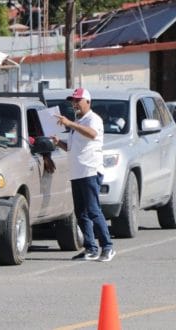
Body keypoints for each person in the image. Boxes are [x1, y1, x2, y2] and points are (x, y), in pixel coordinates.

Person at [51, 88, 115, 262]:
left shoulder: (93, 119)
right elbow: (72, 148)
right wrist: (59, 143)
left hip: (90, 171)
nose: (75, 104)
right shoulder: (78, 122)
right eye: (73, 101)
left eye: (78, 101)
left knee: (93, 210)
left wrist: (70, 124)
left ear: (88, 101)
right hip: (77, 173)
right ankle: (90, 248)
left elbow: (92, 134)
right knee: (81, 213)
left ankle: (107, 247)